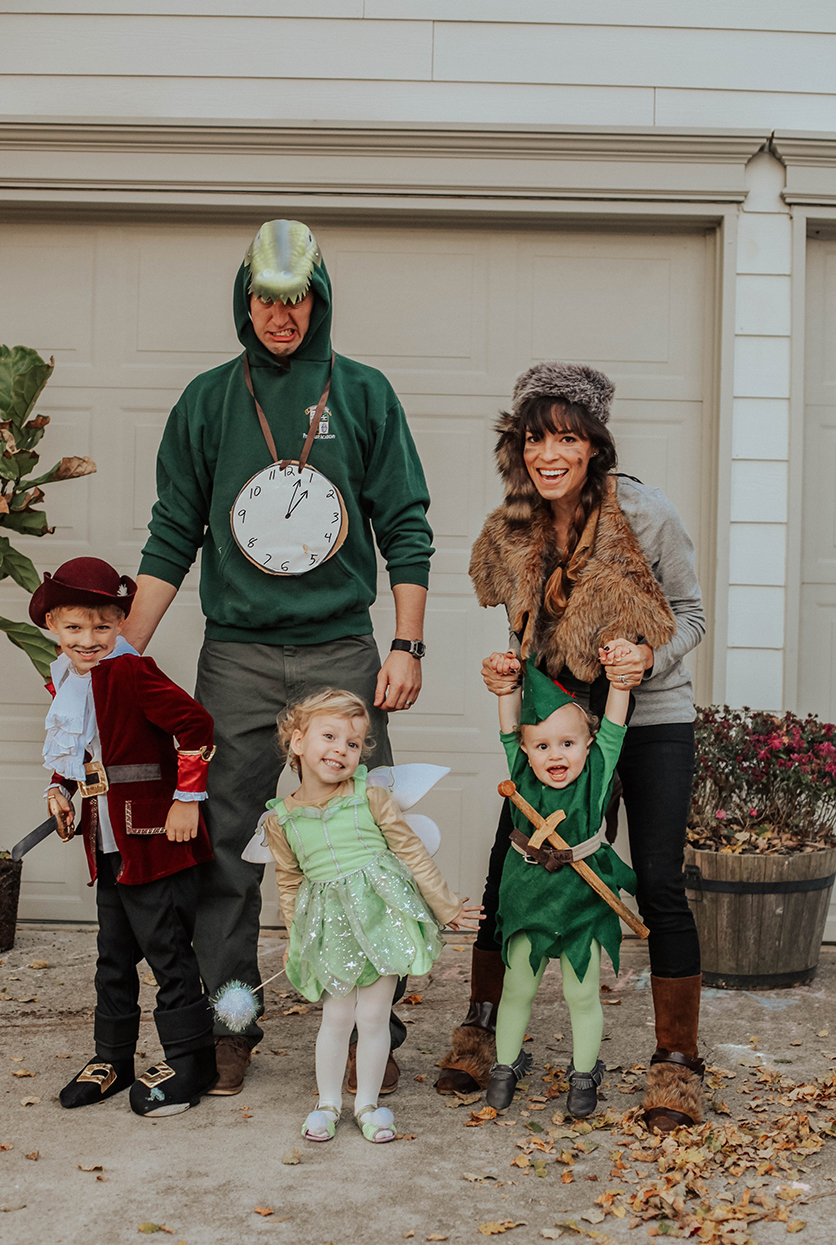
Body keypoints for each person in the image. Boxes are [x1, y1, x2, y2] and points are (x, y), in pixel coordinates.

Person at [123, 220, 434, 1096]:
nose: (280, 315)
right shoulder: (207, 400)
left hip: (342, 645)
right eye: (265, 297)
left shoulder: (364, 393)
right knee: (225, 850)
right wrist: (117, 658)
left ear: (319, 299)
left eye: (296, 299)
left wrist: (405, 642)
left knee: (365, 842)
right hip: (238, 657)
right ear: (244, 299)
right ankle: (231, 1026)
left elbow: (406, 524)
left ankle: (382, 1019)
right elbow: (171, 534)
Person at [437, 361, 706, 1135]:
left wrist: (646, 660)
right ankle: (482, 1028)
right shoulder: (516, 522)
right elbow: (525, 624)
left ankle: (677, 1061)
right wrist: (509, 671)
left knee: (657, 880)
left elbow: (689, 613)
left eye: (565, 437)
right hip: (559, 722)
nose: (547, 452)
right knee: (510, 864)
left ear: (593, 445)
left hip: (648, 716)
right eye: (533, 437)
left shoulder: (644, 514)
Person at [32, 557, 217, 1117]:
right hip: (105, 837)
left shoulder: (133, 671)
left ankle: (191, 1059)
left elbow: (196, 726)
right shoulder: (66, 678)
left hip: (152, 836)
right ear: (53, 628)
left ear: (118, 624)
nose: (89, 640)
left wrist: (187, 800)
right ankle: (112, 1058)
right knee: (112, 955)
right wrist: (60, 788)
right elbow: (82, 747)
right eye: (74, 629)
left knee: (166, 951)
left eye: (102, 627)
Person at [254, 689, 480, 1143]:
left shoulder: (369, 796)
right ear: (297, 742)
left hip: (383, 917)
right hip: (330, 927)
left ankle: (369, 1106)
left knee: (373, 1017)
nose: (340, 749)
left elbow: (410, 851)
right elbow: (290, 883)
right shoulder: (280, 821)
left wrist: (445, 903)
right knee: (336, 1017)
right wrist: (295, 938)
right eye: (329, 736)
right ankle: (327, 1104)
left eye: (352, 744)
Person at [483, 654, 635, 1118]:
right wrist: (508, 688)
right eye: (543, 745)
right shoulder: (521, 776)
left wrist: (620, 682)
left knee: (581, 993)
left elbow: (614, 723)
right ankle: (505, 1070)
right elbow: (508, 728)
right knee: (517, 988)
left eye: (568, 743)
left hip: (582, 901)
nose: (556, 755)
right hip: (527, 895)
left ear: (589, 746)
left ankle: (583, 1077)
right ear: (526, 752)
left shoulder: (596, 773)